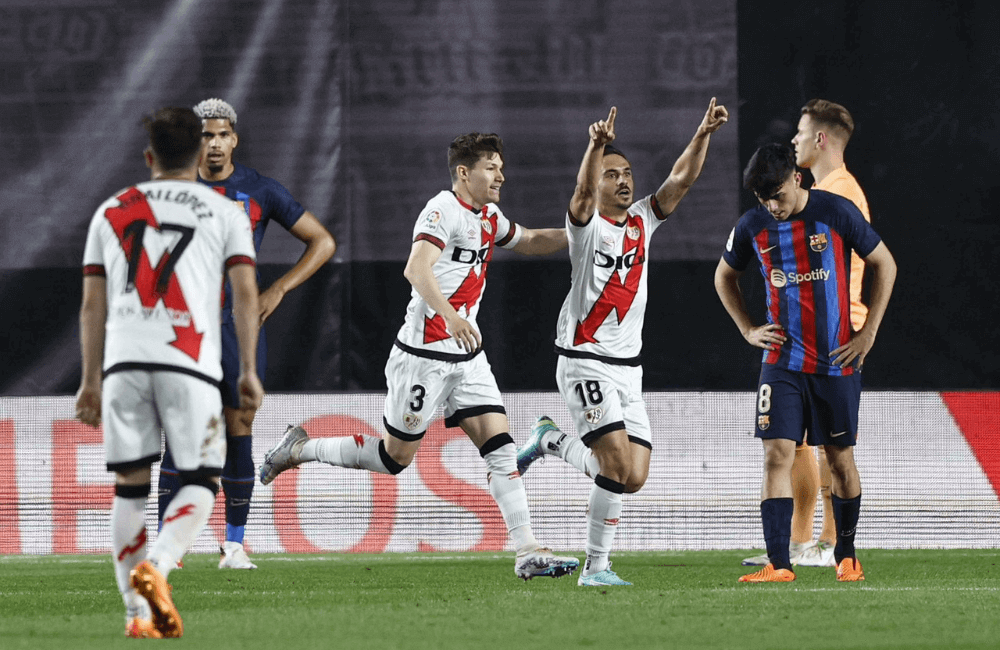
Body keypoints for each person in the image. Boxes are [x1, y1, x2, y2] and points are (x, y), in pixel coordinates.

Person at [259, 132, 579, 580]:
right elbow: (416, 267)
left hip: (467, 357)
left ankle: (527, 549)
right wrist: (450, 316)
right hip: (423, 356)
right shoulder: (442, 209)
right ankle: (300, 448)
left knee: (501, 450)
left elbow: (529, 240)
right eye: (491, 166)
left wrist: (580, 236)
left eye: (501, 166)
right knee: (393, 460)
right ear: (464, 173)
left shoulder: (489, 216)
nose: (500, 174)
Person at [516, 100, 730, 586]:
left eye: (628, 173)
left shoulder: (641, 221)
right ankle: (596, 568)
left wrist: (702, 133)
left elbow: (680, 180)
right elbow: (580, 192)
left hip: (628, 368)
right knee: (614, 463)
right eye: (613, 174)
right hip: (584, 360)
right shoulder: (586, 228)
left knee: (633, 477)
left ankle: (549, 440)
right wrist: (595, 147)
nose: (624, 180)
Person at [75, 107, 263, 637]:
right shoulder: (225, 211)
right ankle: (156, 567)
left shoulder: (111, 209)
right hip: (190, 363)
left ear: (148, 156)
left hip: (124, 363)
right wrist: (247, 368)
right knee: (202, 478)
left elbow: (93, 306)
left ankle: (137, 616)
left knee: (129, 488)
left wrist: (90, 380)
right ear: (200, 152)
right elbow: (245, 295)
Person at [155, 98, 336, 570]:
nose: (213, 144)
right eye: (205, 136)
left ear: (233, 138)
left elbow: (323, 241)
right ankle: (166, 548)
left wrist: (277, 289)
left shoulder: (258, 189)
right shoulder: (172, 187)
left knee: (238, 432)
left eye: (221, 135)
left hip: (237, 333)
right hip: (185, 331)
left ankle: (233, 545)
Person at [714, 143, 895, 583]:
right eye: (763, 199)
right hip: (781, 361)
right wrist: (748, 329)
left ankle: (846, 555)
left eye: (777, 194)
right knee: (776, 454)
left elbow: (884, 264)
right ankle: (779, 564)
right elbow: (724, 276)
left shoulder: (836, 211)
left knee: (840, 460)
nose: (772, 207)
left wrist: (867, 333)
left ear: (797, 177)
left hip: (836, 360)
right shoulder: (751, 225)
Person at [742, 99, 874, 568]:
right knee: (790, 444)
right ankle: (800, 542)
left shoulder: (840, 194)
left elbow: (861, 264)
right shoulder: (814, 190)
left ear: (819, 138)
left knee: (831, 450)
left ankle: (828, 543)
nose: (794, 140)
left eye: (800, 132)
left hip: (836, 336)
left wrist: (859, 329)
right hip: (799, 340)